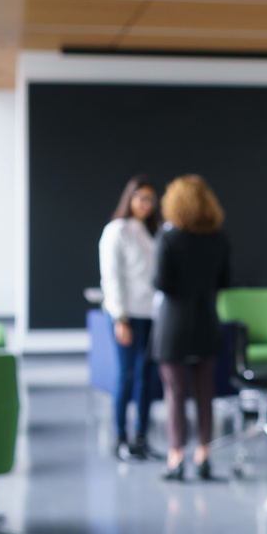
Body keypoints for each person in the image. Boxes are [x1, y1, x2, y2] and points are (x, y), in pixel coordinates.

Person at [152, 175, 231, 480]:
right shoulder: (219, 239)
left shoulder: (169, 238)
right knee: (204, 393)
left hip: (173, 327)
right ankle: (203, 454)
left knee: (175, 393)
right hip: (206, 322)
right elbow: (225, 281)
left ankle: (175, 458)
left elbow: (160, 282)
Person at [98, 174, 162, 461]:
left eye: (151, 199)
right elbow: (111, 277)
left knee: (147, 378)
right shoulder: (117, 230)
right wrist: (120, 317)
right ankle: (120, 438)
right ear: (130, 199)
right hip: (128, 314)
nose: (146, 204)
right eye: (141, 198)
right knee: (126, 376)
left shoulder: (155, 232)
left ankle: (141, 437)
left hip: (154, 314)